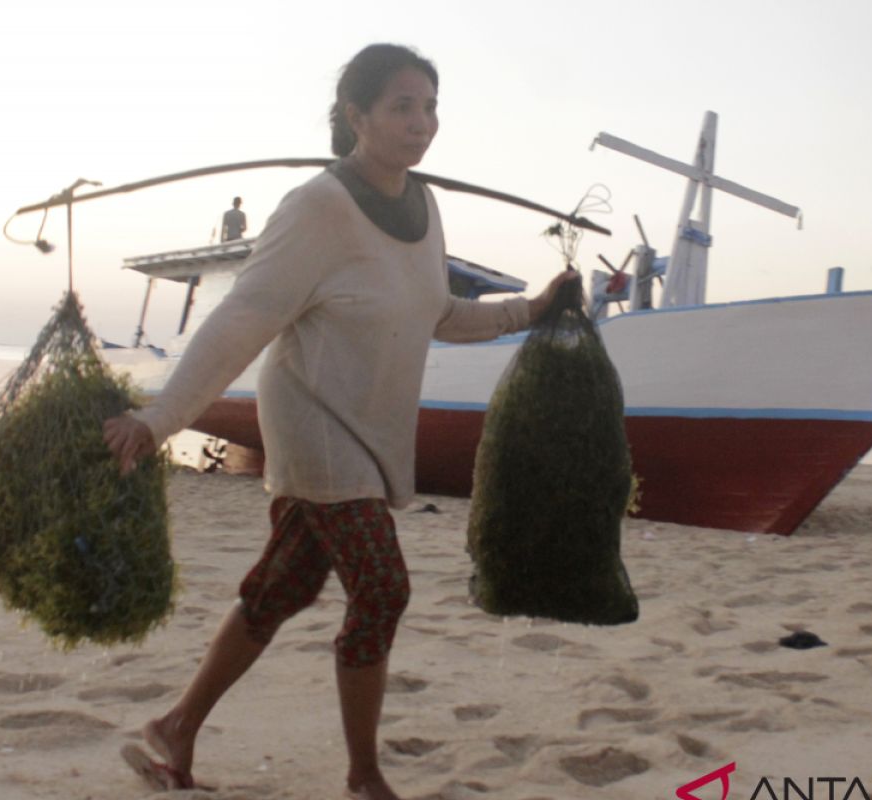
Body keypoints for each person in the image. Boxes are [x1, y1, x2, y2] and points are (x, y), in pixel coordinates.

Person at [104, 43, 578, 800]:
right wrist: (160, 418)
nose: (422, 124)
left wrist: (533, 310)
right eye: (402, 106)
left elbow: (438, 312)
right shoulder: (316, 206)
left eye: (429, 107)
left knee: (279, 591)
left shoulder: (424, 207)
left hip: (372, 429)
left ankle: (175, 728)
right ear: (356, 116)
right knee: (383, 588)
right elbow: (244, 318)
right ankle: (363, 776)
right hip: (315, 425)